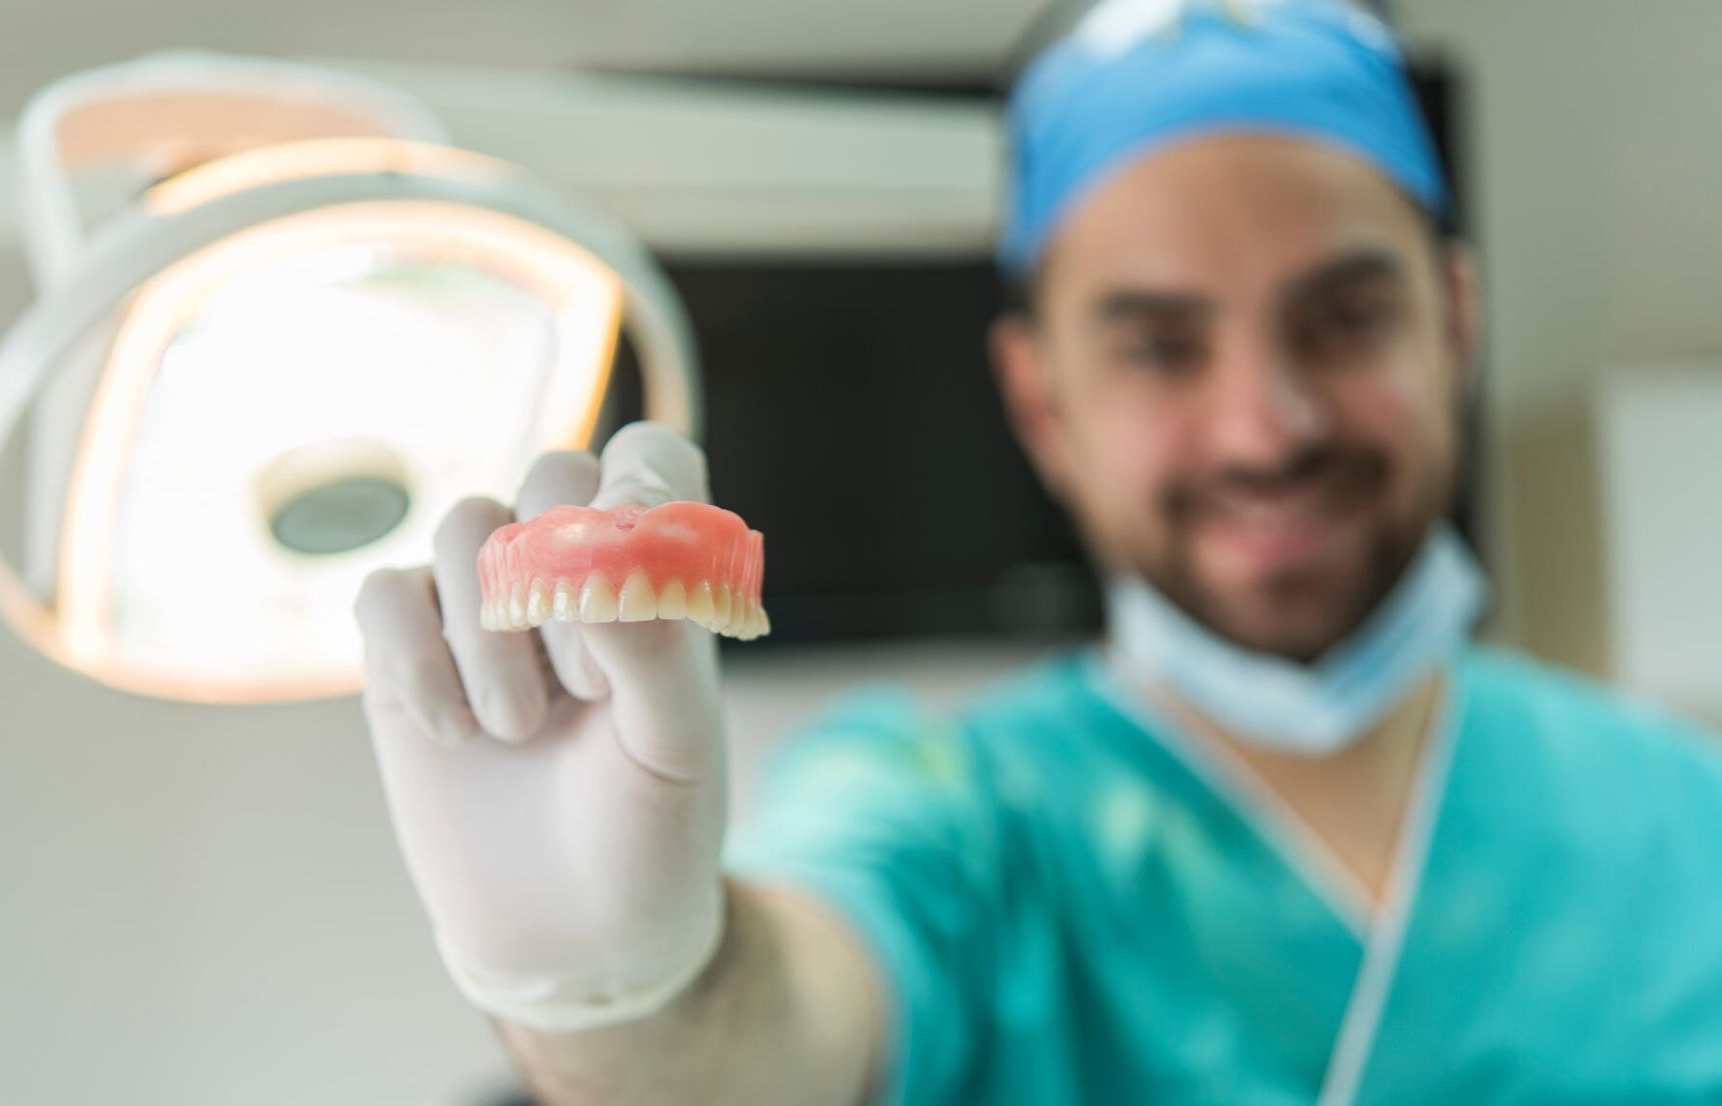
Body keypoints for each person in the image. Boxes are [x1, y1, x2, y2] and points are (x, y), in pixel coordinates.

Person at [351, 1, 1722, 1102]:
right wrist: (626, 997)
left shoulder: (1686, 817)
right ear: (1043, 402)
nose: (1265, 425)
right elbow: (785, 1027)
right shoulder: (953, 818)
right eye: (1159, 346)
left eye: (1347, 318)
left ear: (1457, 325)